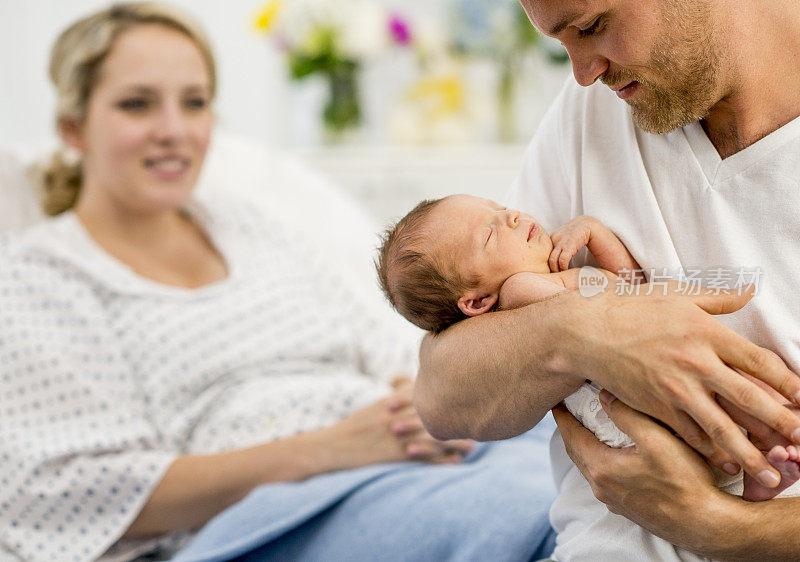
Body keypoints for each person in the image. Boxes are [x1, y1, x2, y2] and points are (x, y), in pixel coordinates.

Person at [0, 3, 558, 561]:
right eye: (137, 104)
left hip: (417, 456)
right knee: (533, 513)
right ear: (73, 128)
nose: (172, 130)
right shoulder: (43, 278)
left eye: (194, 102)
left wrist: (416, 408)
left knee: (586, 474)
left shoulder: (252, 226)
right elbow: (75, 492)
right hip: (277, 514)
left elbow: (388, 349)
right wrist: (329, 450)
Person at [414, 0, 800, 560]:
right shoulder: (595, 109)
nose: (582, 72)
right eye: (561, 42)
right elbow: (441, 392)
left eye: (592, 26)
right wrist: (584, 334)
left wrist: (716, 526)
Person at [378, 193, 800, 503]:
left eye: (496, 206)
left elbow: (628, 284)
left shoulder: (557, 279)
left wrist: (596, 235)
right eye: (489, 234)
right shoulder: (522, 290)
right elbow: (617, 309)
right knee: (735, 391)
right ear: (475, 302)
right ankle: (763, 467)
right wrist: (686, 296)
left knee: (737, 401)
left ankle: (760, 480)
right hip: (627, 403)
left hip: (639, 397)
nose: (509, 215)